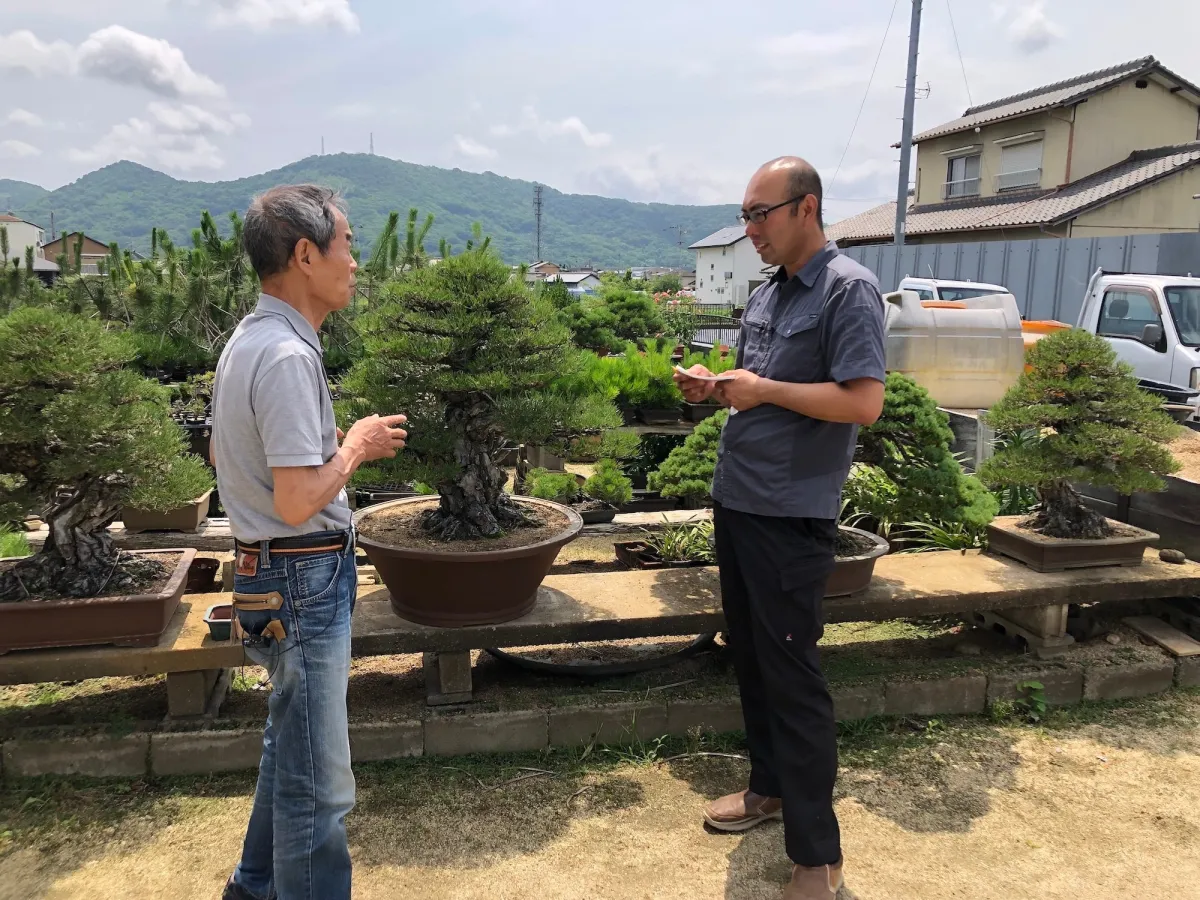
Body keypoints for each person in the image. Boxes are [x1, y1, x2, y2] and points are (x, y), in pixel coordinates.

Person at [674, 157, 886, 900]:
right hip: (740, 499)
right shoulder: (768, 293)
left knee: (793, 677)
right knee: (754, 660)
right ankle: (767, 789)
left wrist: (762, 389)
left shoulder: (848, 290)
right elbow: (761, 394)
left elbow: (862, 403)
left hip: (792, 514)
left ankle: (817, 857)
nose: (750, 229)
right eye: (745, 215)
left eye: (760, 214)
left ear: (807, 208)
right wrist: (718, 389)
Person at [212, 184, 408, 900]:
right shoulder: (288, 356)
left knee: (290, 748)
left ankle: (253, 886)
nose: (354, 261)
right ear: (304, 254)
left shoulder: (250, 340)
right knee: (320, 786)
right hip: (302, 577)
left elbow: (235, 464)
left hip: (270, 574)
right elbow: (297, 501)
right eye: (345, 244)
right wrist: (356, 446)